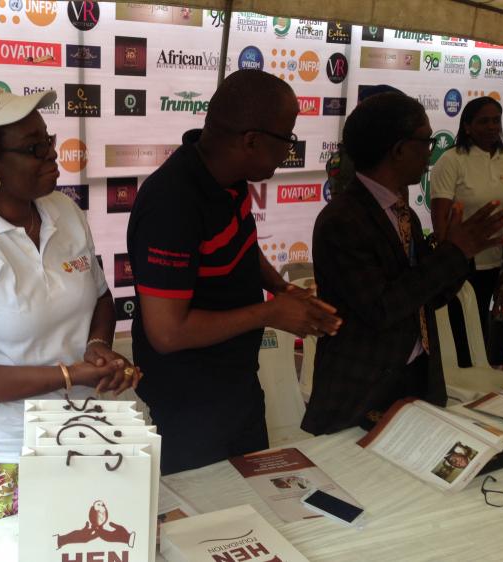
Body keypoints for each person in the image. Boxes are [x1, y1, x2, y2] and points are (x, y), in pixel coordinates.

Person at [0, 77, 141, 525]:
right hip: (10, 452)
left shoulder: (65, 212)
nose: (52, 155)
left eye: (48, 141)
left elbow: (100, 297)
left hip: (88, 428)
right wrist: (68, 374)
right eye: (35, 148)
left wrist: (97, 346)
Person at [126, 69, 342, 475]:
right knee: (210, 506)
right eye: (287, 138)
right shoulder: (172, 204)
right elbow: (167, 333)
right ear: (251, 141)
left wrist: (280, 289)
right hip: (191, 400)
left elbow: (238, 244)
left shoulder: (228, 175)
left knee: (256, 490)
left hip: (234, 382)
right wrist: (270, 312)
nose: (289, 151)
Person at [302, 93, 503, 435]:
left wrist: (460, 253)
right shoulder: (343, 220)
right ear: (398, 150)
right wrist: (453, 253)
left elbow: (427, 297)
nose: (431, 152)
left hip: (416, 379)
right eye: (426, 141)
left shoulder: (404, 214)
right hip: (363, 392)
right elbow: (382, 308)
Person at [430, 96, 503, 367]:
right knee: (458, 337)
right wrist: (448, 263)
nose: (492, 127)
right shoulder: (451, 160)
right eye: (483, 121)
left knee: (480, 334)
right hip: (460, 263)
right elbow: (440, 219)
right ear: (467, 126)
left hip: (494, 263)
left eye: (496, 121)